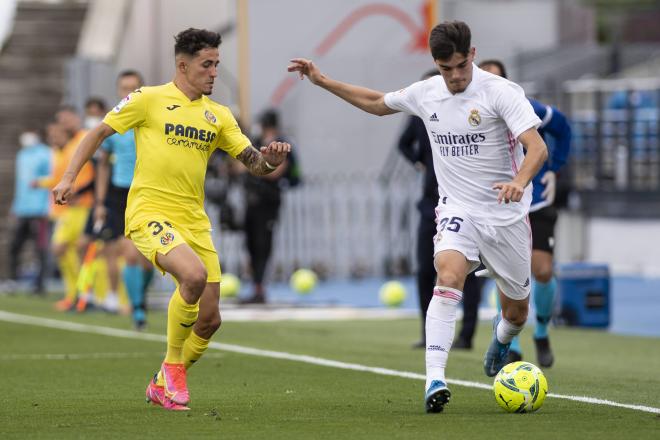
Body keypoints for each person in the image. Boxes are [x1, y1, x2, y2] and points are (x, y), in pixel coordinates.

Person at [288, 20, 548, 413]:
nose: (455, 77)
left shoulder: (501, 92)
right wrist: (323, 80)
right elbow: (378, 103)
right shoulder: (427, 93)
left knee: (516, 311)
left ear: (472, 56)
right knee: (447, 276)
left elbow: (537, 148)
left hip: (505, 215)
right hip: (457, 209)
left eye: (461, 66)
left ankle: (502, 336)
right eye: (446, 69)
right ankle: (435, 380)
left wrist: (518, 180)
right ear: (435, 64)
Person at [53, 28, 291, 411]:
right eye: (206, 64)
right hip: (149, 211)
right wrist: (68, 177)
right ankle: (172, 369)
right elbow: (97, 132)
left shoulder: (219, 115)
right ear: (183, 65)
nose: (214, 72)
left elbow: (253, 163)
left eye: (217, 64)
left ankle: (162, 381)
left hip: (194, 220)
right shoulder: (148, 99)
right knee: (193, 276)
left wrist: (272, 163)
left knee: (210, 320)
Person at [478, 59, 571, 367]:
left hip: (536, 203)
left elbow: (562, 127)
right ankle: (511, 341)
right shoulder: (469, 114)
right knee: (506, 275)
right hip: (499, 205)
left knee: (542, 270)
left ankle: (542, 332)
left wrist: (554, 169)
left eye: (495, 79)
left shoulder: (525, 107)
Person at [396, 70, 485, 349]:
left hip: (464, 204)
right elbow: (402, 144)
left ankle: (466, 334)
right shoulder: (421, 114)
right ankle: (429, 334)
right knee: (425, 269)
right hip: (430, 203)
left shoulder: (468, 113)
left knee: (468, 271)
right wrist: (420, 162)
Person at [89, 70, 154, 328]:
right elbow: (103, 166)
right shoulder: (114, 125)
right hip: (119, 194)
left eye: (134, 87)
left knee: (148, 260)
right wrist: (100, 203)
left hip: (148, 192)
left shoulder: (151, 120)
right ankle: (137, 310)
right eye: (124, 87)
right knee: (128, 253)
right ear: (118, 91)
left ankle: (140, 296)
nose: (129, 92)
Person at [38, 111, 95, 312]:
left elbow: (95, 171)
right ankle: (75, 295)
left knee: (83, 250)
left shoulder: (84, 139)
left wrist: (82, 191)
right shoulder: (63, 149)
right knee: (64, 248)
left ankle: (86, 296)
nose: (54, 136)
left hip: (85, 206)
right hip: (68, 208)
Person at [240, 109, 298, 304]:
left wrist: (256, 168)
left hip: (268, 202)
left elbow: (275, 172)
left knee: (263, 244)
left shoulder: (282, 145)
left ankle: (259, 288)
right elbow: (242, 165)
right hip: (252, 201)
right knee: (250, 244)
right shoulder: (257, 143)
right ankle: (255, 286)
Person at [8, 130, 51, 293]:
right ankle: (12, 279)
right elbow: (20, 184)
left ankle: (40, 284)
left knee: (40, 248)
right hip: (22, 209)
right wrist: (15, 207)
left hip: (39, 210)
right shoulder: (22, 155)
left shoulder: (46, 154)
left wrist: (47, 207)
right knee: (15, 246)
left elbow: (52, 178)